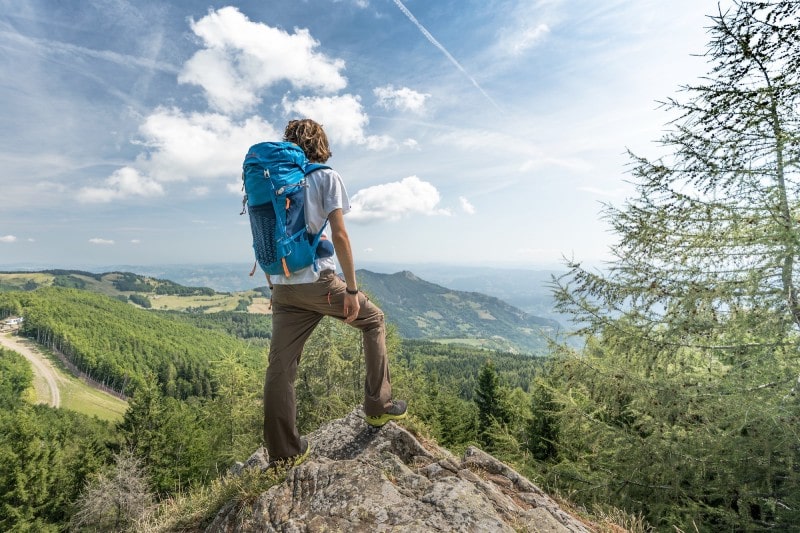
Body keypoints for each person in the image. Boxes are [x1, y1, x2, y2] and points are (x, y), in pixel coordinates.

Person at [263, 118, 407, 468]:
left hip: (283, 287)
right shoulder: (325, 176)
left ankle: (283, 454)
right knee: (373, 322)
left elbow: (265, 237)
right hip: (319, 283)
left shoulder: (270, 182)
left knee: (280, 367)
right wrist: (352, 289)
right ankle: (379, 407)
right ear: (321, 145)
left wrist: (273, 282)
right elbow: (340, 236)